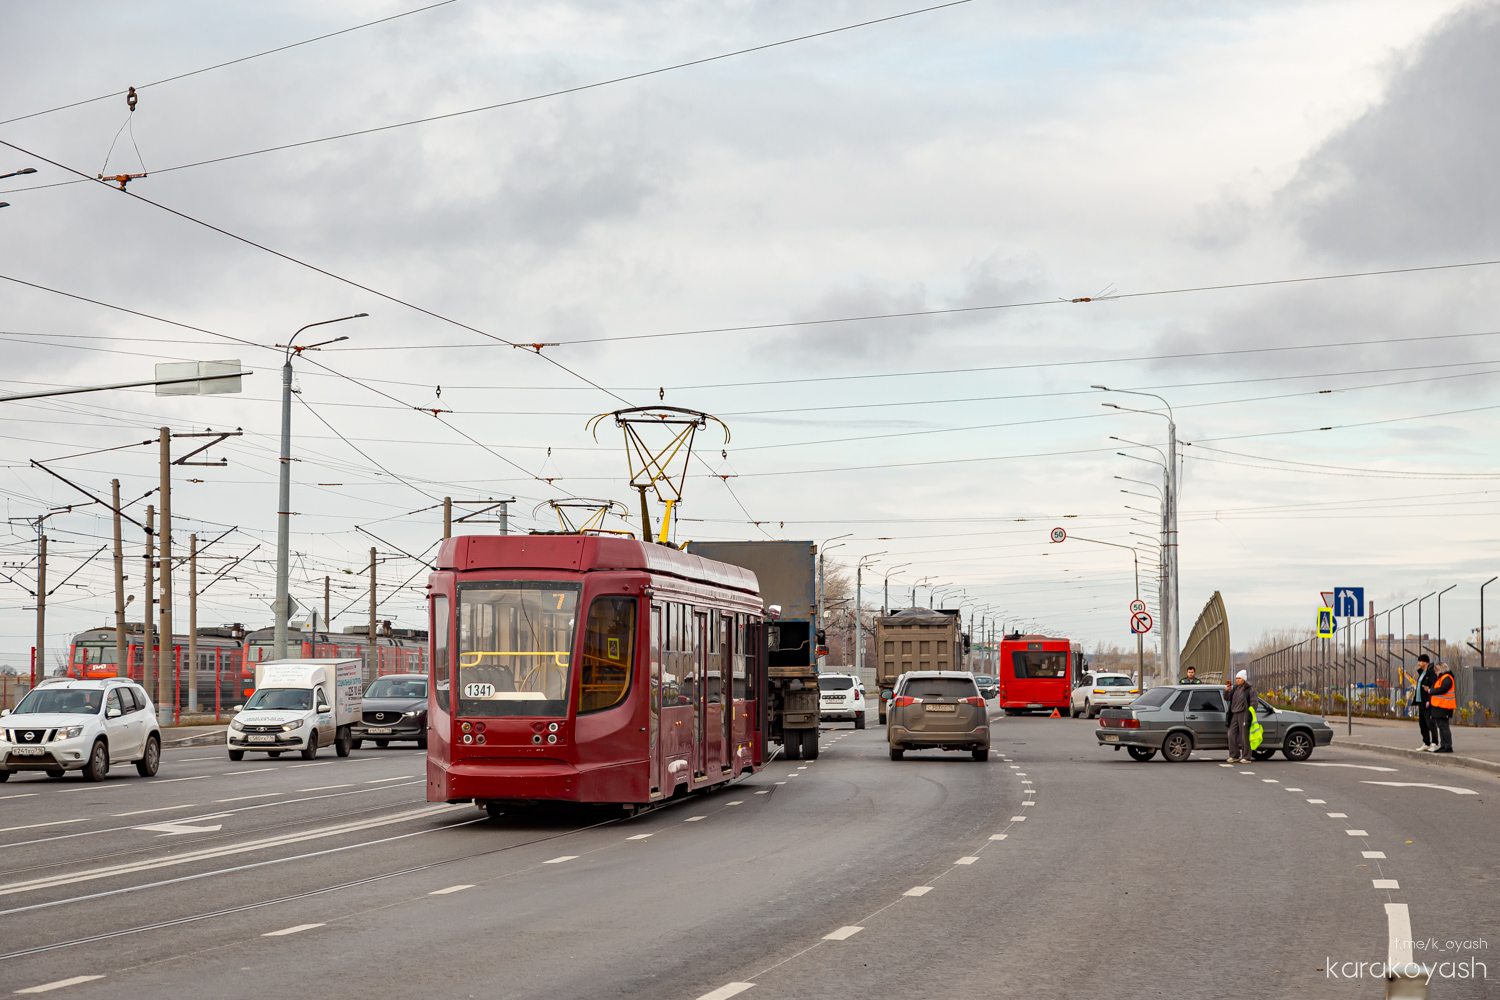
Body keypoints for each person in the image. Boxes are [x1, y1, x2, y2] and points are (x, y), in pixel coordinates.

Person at [1224, 669, 1256, 763]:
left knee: (1244, 736)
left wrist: (1250, 714)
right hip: (1234, 714)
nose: (1237, 680)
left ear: (1244, 679)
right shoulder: (1235, 688)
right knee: (1231, 734)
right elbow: (1227, 698)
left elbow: (1254, 702)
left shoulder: (1249, 689)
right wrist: (1226, 691)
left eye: (1239, 678)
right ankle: (1234, 755)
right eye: (1236, 678)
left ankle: (1246, 757)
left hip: (1244, 713)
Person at [1428, 662, 1456, 754]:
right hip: (1439, 706)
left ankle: (1448, 746)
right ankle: (1443, 745)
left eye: (1436, 670)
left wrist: (1431, 691)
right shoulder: (1441, 678)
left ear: (1440, 670)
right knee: (1440, 726)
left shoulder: (1447, 678)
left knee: (1444, 726)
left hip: (1445, 706)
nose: (1435, 672)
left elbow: (1443, 688)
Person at [1412, 654, 1436, 751]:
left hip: (1427, 702)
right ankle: (1426, 742)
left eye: (1420, 661)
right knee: (1422, 724)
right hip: (1420, 701)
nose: (1418, 663)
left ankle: (1435, 743)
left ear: (1425, 662)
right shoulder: (1421, 673)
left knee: (1430, 723)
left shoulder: (1430, 673)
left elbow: (1432, 688)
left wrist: (1428, 700)